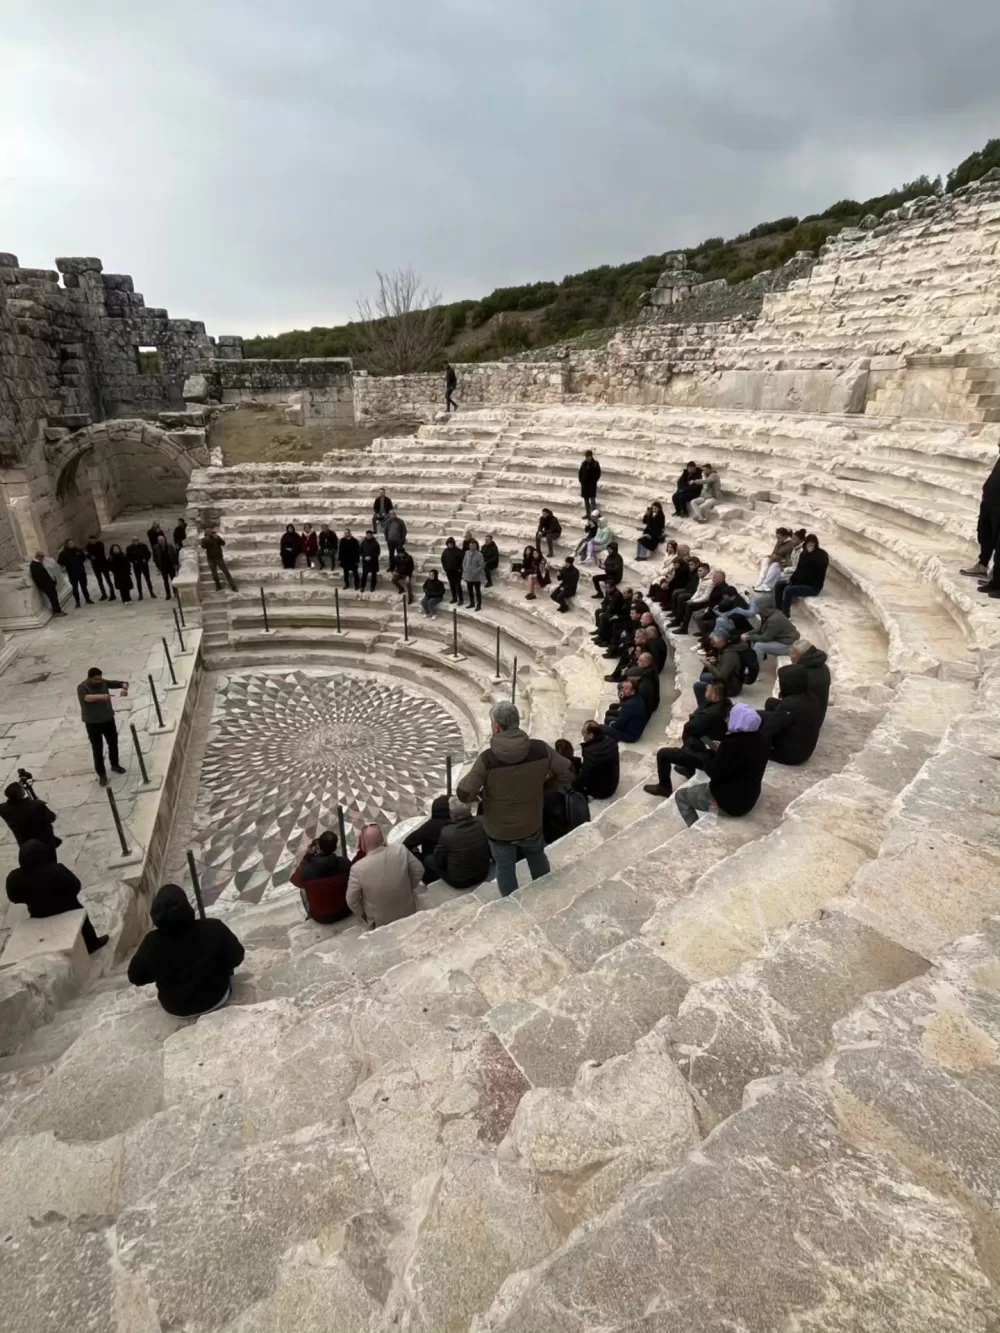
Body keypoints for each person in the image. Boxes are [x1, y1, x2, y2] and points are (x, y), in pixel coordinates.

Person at [457, 700, 573, 898]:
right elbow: (568, 772)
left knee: (505, 868)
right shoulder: (540, 749)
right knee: (537, 857)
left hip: (500, 831)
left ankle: (512, 904)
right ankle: (547, 895)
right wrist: (544, 787)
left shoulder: (487, 759)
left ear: (497, 726)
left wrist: (482, 796)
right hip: (531, 822)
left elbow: (464, 793)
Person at [127, 883, 245, 1016]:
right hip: (216, 997)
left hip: (175, 1007)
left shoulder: (151, 942)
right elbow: (237, 956)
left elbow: (135, 977)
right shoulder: (214, 927)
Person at [673, 702, 771, 827]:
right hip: (750, 795)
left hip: (729, 803)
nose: (728, 719)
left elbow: (714, 773)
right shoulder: (762, 740)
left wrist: (707, 753)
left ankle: (694, 828)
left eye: (731, 716)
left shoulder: (731, 745)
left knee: (681, 796)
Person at [6, 840, 107, 953]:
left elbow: (13, 898)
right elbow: (75, 886)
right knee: (83, 919)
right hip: (68, 908)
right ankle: (92, 943)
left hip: (38, 913)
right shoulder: (57, 870)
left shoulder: (14, 877)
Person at [644, 681, 732, 796]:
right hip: (713, 743)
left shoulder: (709, 715)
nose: (705, 692)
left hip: (707, 755)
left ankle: (664, 787)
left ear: (714, 695)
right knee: (696, 737)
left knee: (663, 754)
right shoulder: (727, 704)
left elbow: (690, 727)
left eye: (707, 690)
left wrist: (694, 719)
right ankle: (688, 768)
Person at [346, 824, 425, 928]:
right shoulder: (400, 850)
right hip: (408, 910)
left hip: (379, 921)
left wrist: (364, 914)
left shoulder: (357, 869)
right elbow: (419, 870)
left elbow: (352, 900)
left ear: (363, 844)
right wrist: (408, 887)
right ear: (382, 838)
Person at [760, 664, 824, 765]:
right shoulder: (810, 696)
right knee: (771, 702)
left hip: (791, 755)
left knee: (757, 719)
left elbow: (767, 730)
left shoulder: (790, 704)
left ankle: (769, 746)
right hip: (802, 747)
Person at [423, 797, 491, 890]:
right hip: (483, 874)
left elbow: (438, 860)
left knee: (427, 860)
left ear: (453, 815)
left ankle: (429, 885)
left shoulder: (447, 832)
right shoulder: (483, 821)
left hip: (459, 881)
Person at [77, 666, 128, 785]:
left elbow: (121, 683)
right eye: (96, 680)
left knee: (113, 743)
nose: (99, 682)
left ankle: (115, 764)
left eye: (100, 679)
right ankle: (102, 774)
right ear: (89, 678)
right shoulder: (82, 687)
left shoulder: (103, 682)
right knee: (97, 749)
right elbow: (86, 698)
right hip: (93, 723)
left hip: (108, 720)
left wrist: (124, 688)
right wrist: (103, 696)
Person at [290, 831, 352, 923]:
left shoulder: (308, 870)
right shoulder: (345, 863)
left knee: (302, 889)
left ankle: (309, 916)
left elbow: (295, 881)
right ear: (335, 847)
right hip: (345, 911)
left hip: (321, 917)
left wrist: (307, 856)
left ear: (319, 847)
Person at [961, 439, 1000, 583]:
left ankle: (995, 575)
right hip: (989, 500)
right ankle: (982, 566)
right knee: (984, 532)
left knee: (997, 538)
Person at [775, 535, 828, 616]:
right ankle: (779, 608)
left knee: (788, 590)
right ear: (805, 544)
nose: (810, 546)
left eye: (812, 544)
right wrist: (792, 580)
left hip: (813, 587)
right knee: (779, 584)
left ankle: (786, 614)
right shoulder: (804, 554)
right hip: (801, 582)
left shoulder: (821, 555)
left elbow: (815, 572)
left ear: (816, 544)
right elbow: (799, 570)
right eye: (808, 544)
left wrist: (797, 582)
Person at [0, 781, 59, 848]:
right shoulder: (37, 805)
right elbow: (52, 818)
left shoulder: (2, 808)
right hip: (44, 843)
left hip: (24, 844)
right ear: (20, 793)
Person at [693, 632, 744, 706]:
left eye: (714, 640)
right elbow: (724, 667)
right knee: (703, 677)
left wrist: (709, 666)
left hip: (731, 687)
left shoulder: (729, 655)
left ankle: (704, 707)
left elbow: (722, 676)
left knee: (697, 686)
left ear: (722, 641)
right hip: (728, 680)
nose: (711, 642)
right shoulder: (726, 649)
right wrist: (715, 662)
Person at [747, 596, 799, 667]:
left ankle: (756, 669)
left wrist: (749, 637)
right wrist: (748, 633)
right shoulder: (769, 614)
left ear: (763, 607)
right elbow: (761, 628)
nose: (756, 608)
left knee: (758, 646)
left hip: (788, 645)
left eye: (758, 606)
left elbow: (766, 638)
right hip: (781, 640)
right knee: (755, 640)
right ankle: (757, 661)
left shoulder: (774, 619)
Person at [575, 720, 619, 799]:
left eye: (584, 732)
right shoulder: (611, 741)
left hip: (600, 792)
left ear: (591, 735)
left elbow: (585, 776)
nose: (582, 734)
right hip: (613, 784)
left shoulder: (590, 751)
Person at [789, 639, 832, 721]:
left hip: (808, 720)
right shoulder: (822, 666)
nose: (790, 656)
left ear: (800, 655)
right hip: (818, 714)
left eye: (793, 653)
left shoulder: (802, 673)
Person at [403, 794, 452, 861]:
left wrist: (420, 858)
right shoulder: (457, 825)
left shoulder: (429, 826)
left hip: (432, 866)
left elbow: (407, 844)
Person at [604, 676, 647, 743]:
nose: (623, 690)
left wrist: (611, 727)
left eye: (626, 689)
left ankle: (611, 740)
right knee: (609, 712)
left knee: (606, 723)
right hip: (631, 723)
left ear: (632, 691)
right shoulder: (637, 696)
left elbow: (620, 724)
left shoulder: (630, 705)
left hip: (630, 735)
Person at [754, 528, 796, 592]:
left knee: (775, 565)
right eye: (777, 538)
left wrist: (777, 558)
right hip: (776, 560)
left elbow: (789, 560)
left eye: (779, 538)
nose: (778, 540)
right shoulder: (780, 541)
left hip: (784, 564)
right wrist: (771, 556)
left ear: (785, 536)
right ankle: (760, 581)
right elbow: (774, 552)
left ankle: (766, 585)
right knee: (766, 560)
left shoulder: (790, 545)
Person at [29, 552, 65, 617]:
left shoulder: (39, 564)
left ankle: (58, 610)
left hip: (49, 583)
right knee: (53, 597)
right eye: (42, 558)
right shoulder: (34, 565)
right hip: (46, 585)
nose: (43, 559)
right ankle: (56, 611)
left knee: (54, 597)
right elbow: (39, 577)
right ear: (38, 557)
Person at [58, 540, 92, 607]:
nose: (72, 544)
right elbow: (60, 562)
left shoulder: (78, 550)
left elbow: (83, 558)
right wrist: (68, 563)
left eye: (73, 542)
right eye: (70, 543)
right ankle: (77, 602)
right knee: (75, 588)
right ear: (67, 544)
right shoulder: (63, 553)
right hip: (72, 573)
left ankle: (87, 599)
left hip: (81, 571)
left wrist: (79, 563)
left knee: (84, 586)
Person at [86, 535, 115, 601]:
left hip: (103, 564)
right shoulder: (88, 546)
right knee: (100, 581)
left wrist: (94, 556)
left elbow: (101, 553)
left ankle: (112, 593)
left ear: (95, 540)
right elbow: (88, 555)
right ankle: (104, 594)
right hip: (95, 566)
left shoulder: (100, 544)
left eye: (93, 540)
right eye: (91, 540)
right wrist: (90, 557)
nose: (92, 541)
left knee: (108, 579)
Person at [152, 533, 178, 599]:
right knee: (165, 581)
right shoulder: (156, 547)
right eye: (160, 540)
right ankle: (168, 594)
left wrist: (175, 564)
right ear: (158, 541)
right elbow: (154, 558)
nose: (162, 541)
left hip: (171, 566)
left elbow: (174, 555)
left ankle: (175, 592)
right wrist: (158, 566)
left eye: (163, 540)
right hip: (163, 567)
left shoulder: (170, 546)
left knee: (173, 580)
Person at [463, 538, 485, 611]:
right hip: (468, 576)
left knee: (477, 591)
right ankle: (471, 603)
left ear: (476, 546)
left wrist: (476, 572)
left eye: (473, 545)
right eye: (470, 545)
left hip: (476, 577)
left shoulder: (479, 555)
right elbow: (464, 562)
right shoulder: (467, 553)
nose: (471, 547)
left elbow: (481, 565)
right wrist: (465, 569)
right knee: (470, 591)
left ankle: (478, 604)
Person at [441, 536, 464, 604]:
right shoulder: (445, 551)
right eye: (448, 544)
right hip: (449, 571)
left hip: (457, 571)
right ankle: (454, 598)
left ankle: (461, 599)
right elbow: (443, 560)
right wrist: (445, 568)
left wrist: (460, 569)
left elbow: (462, 561)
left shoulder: (458, 551)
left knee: (458, 585)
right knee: (451, 585)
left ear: (453, 544)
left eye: (451, 543)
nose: (450, 545)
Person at [579, 449, 601, 516]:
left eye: (588, 456)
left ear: (591, 456)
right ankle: (588, 514)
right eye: (586, 457)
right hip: (585, 485)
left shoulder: (595, 463)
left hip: (591, 485)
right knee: (586, 500)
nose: (587, 458)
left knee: (592, 500)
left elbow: (598, 473)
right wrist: (581, 481)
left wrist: (594, 481)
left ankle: (594, 515)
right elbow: (580, 473)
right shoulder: (583, 463)